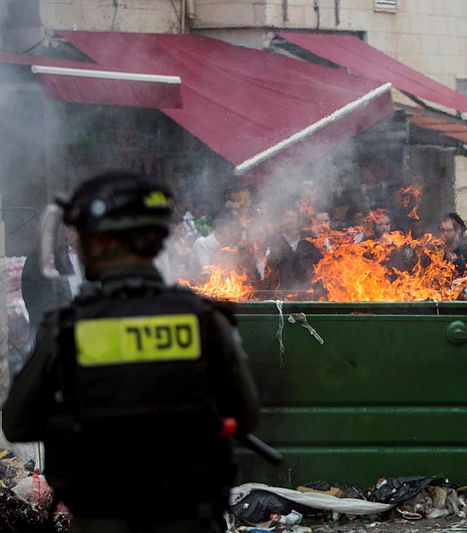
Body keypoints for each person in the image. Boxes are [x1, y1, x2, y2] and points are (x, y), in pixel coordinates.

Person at [2, 170, 259, 532]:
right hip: (190, 519)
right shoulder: (203, 319)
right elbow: (246, 415)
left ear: (95, 244)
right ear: (156, 240)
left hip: (100, 521)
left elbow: (16, 423)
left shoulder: (66, 329)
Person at [268, 208, 322, 291]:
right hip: (283, 290)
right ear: (282, 221)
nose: (289, 220)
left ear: (297, 220)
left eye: (292, 217)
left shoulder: (308, 239)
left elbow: (319, 262)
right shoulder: (275, 240)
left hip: (307, 290)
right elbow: (270, 264)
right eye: (286, 217)